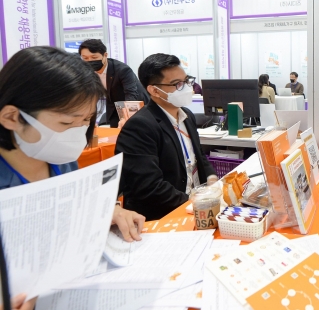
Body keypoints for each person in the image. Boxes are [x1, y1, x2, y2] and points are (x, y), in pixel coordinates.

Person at [0, 47, 146, 310]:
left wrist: (107, 210)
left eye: (87, 120)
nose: (77, 134)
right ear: (12, 117)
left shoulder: (58, 158)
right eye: (66, 123)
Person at [115, 53, 216, 221]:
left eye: (186, 81)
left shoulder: (187, 116)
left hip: (195, 208)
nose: (185, 88)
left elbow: (199, 156)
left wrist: (212, 180)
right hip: (163, 215)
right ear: (154, 90)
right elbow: (149, 187)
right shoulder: (140, 126)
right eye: (177, 84)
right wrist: (194, 201)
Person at [79, 39, 149, 128]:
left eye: (94, 57)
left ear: (105, 55)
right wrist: (89, 119)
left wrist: (126, 117)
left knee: (134, 129)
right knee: (114, 131)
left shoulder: (122, 70)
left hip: (135, 104)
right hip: (115, 105)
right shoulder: (86, 72)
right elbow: (89, 97)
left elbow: (131, 94)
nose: (89, 61)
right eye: (85, 58)